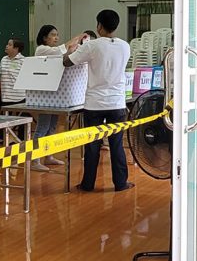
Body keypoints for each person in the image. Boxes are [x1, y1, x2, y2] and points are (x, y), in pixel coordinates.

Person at [64, 10, 133, 192]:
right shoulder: (125, 46)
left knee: (92, 145)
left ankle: (88, 184)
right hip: (117, 102)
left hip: (94, 103)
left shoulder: (91, 46)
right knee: (116, 144)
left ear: (99, 26)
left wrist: (70, 49)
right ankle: (121, 183)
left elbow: (67, 62)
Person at [32, 25, 85, 171]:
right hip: (44, 95)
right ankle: (35, 160)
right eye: (53, 35)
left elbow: (66, 55)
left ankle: (48, 156)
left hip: (54, 94)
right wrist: (77, 38)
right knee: (43, 126)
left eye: (57, 35)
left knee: (52, 126)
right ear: (44, 37)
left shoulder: (54, 51)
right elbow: (61, 49)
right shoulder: (41, 49)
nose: (56, 37)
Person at [0, 37, 27, 146]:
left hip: (19, 95)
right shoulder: (3, 59)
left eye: (9, 45)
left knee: (22, 118)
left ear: (16, 48)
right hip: (6, 94)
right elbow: (1, 76)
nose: (6, 46)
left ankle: (21, 139)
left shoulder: (24, 61)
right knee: (3, 117)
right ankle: (1, 138)